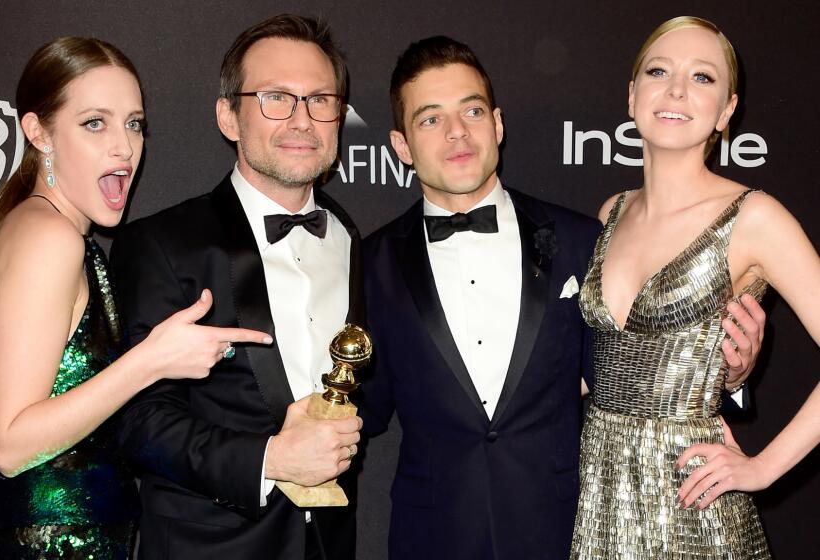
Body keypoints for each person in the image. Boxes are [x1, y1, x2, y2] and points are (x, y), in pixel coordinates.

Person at [359, 36, 764, 560]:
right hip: (433, 535)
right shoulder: (371, 264)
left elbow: (628, 369)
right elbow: (359, 405)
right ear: (401, 145)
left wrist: (729, 377)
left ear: (498, 125)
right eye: (430, 119)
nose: (457, 132)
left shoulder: (582, 239)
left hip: (567, 530)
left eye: (472, 110)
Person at [0, 37, 270, 559]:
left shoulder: (50, 230)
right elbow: (10, 443)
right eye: (95, 123)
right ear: (38, 132)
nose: (124, 146)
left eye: (133, 123)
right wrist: (150, 361)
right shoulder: (49, 238)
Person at [110, 14, 362, 560]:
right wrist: (270, 459)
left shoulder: (349, 237)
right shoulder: (162, 244)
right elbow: (137, 423)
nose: (302, 119)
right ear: (229, 116)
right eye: (275, 98)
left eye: (321, 99)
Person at [570, 16, 820, 559]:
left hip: (692, 505)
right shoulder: (612, 212)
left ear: (727, 110)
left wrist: (762, 468)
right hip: (599, 499)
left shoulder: (753, 217)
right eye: (659, 71)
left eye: (703, 77)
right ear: (634, 96)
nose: (677, 89)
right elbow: (599, 367)